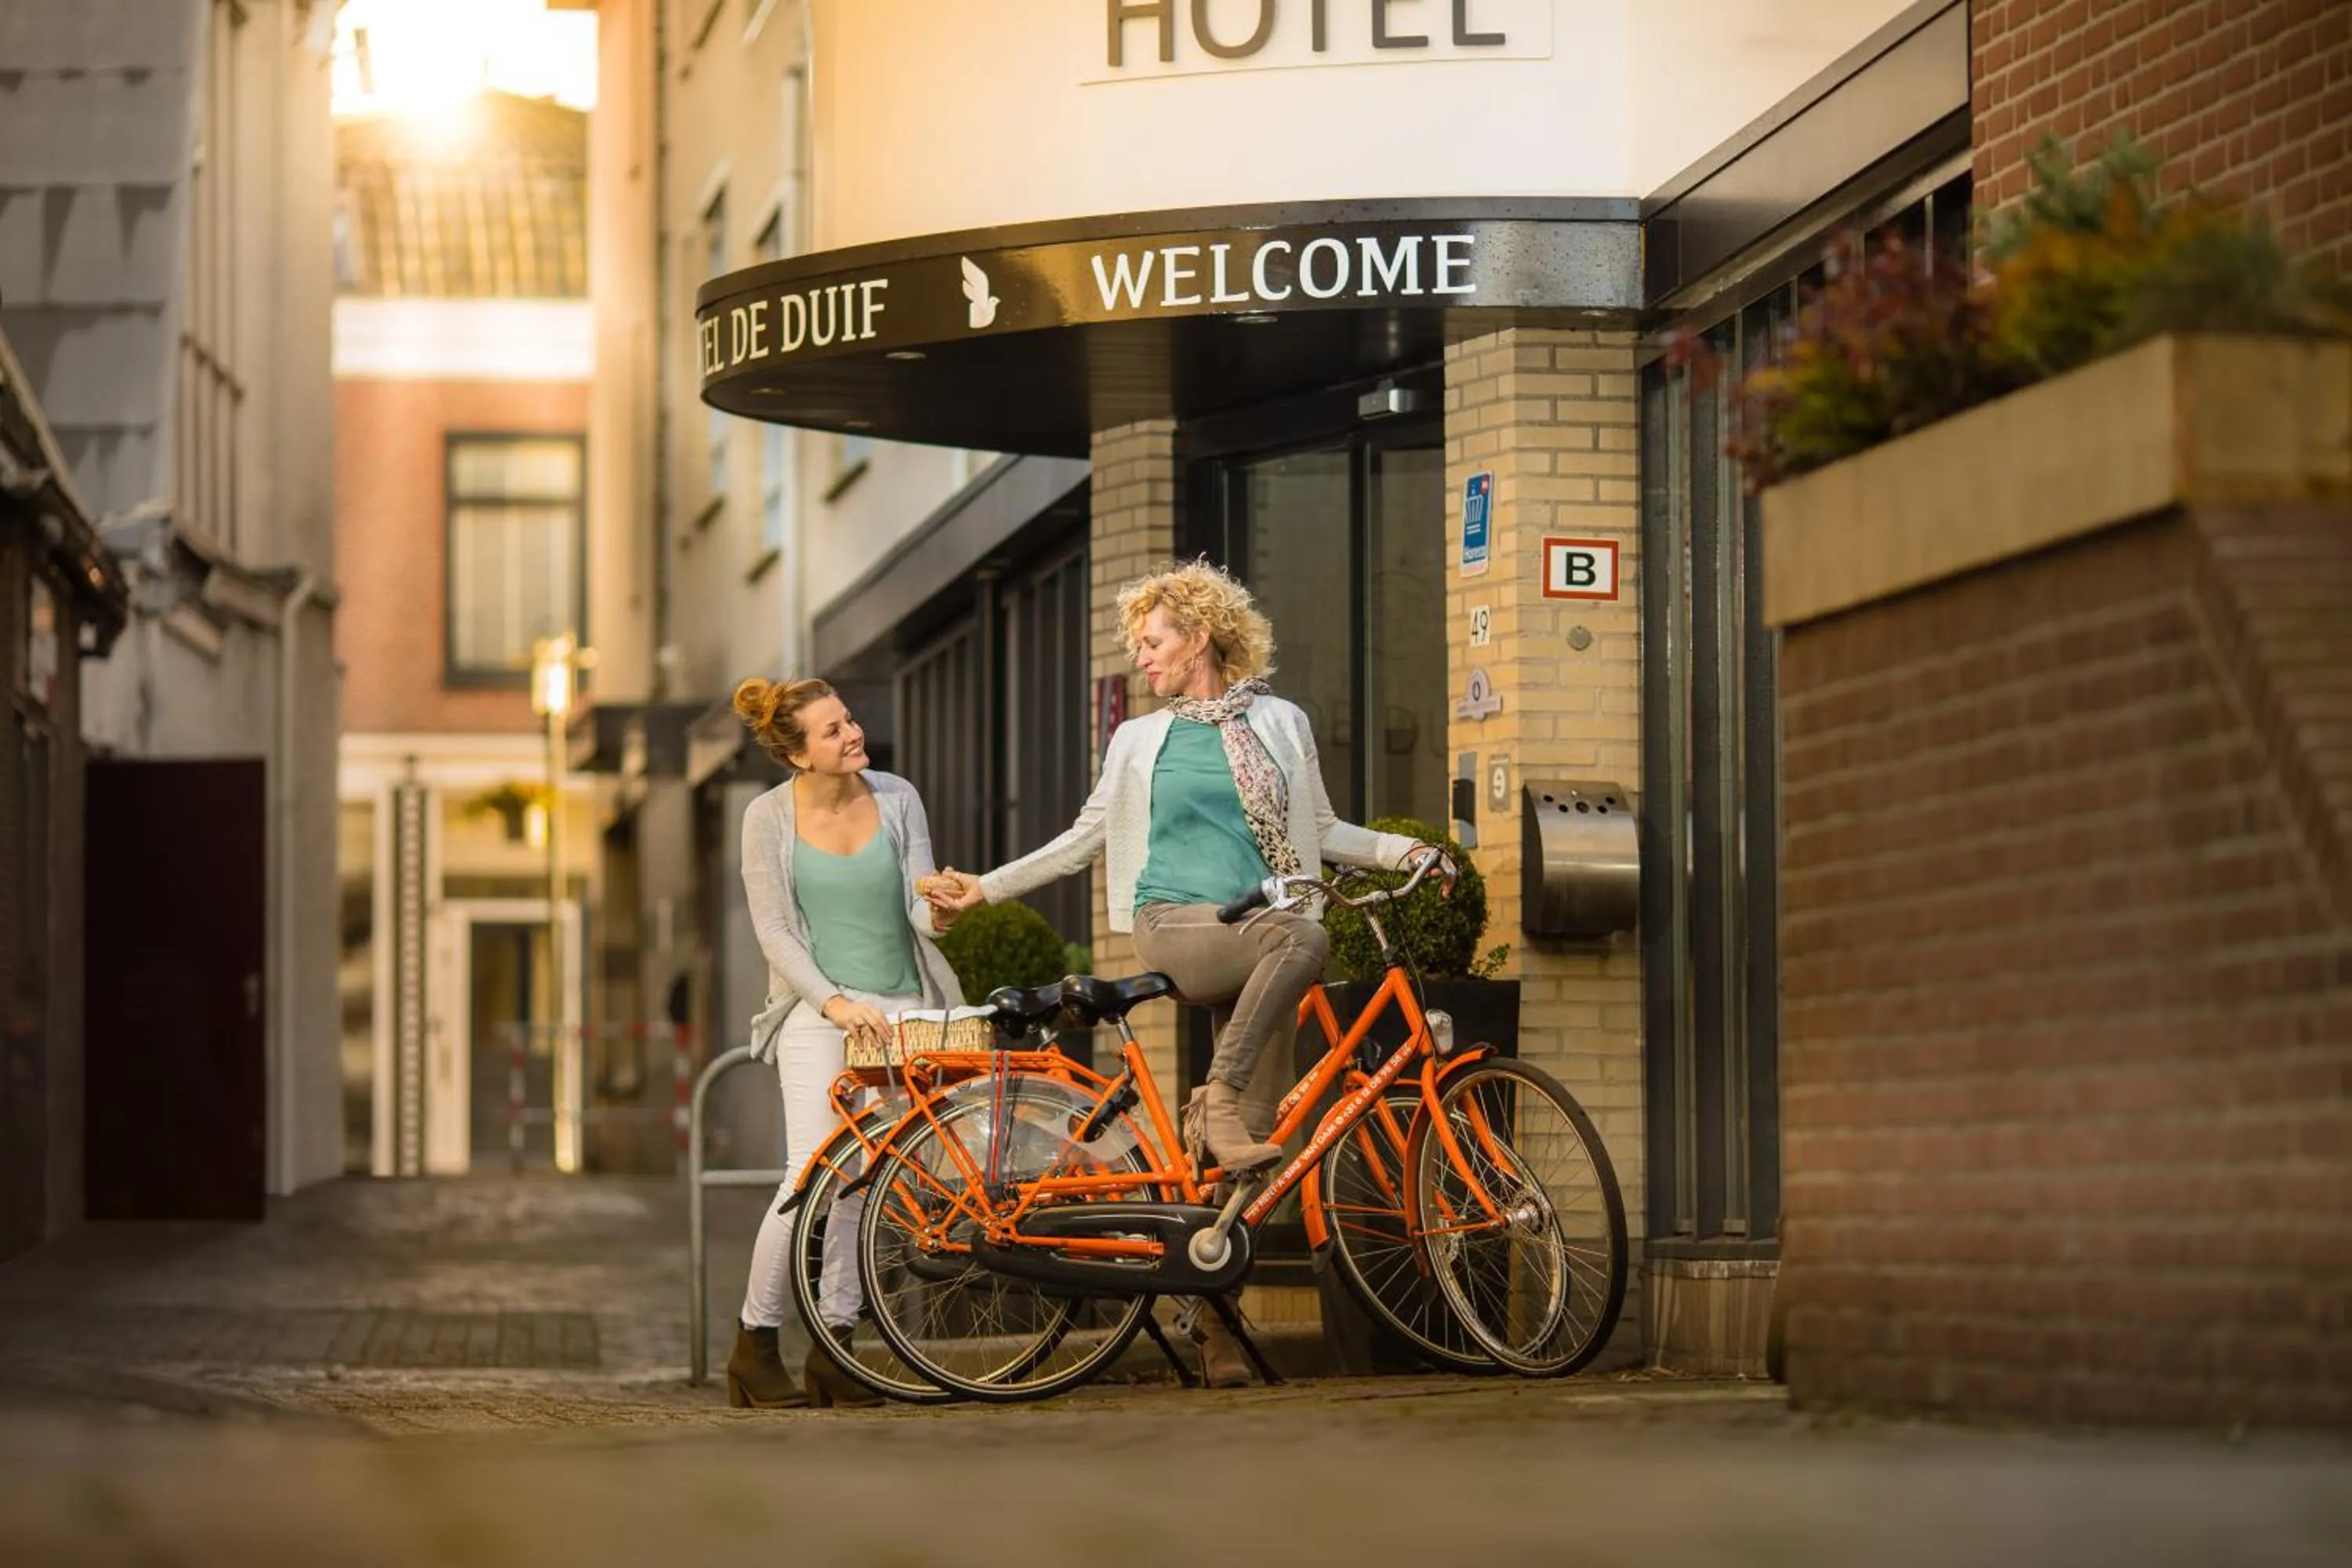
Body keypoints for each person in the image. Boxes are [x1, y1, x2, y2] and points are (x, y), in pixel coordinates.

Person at [926, 560, 1444, 1386]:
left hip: (1257, 938)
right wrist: (982, 887)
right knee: (1304, 942)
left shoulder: (1281, 722)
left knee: (1252, 1164)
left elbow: (1321, 826)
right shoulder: (1139, 740)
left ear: (1200, 636)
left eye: (1154, 640)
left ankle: (1210, 1318)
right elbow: (1082, 837)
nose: (1143, 657)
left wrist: (1403, 849)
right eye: (1139, 644)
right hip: (1175, 923)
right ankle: (1219, 1098)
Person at [725, 676, 968, 1410]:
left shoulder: (897, 796)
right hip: (817, 1014)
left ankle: (836, 1344)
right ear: (798, 756)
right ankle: (754, 1344)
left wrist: (943, 914)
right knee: (809, 1175)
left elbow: (917, 910)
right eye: (832, 731)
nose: (852, 734)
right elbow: (774, 930)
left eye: (849, 720)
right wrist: (833, 1004)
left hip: (901, 1011)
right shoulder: (766, 818)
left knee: (866, 1184)